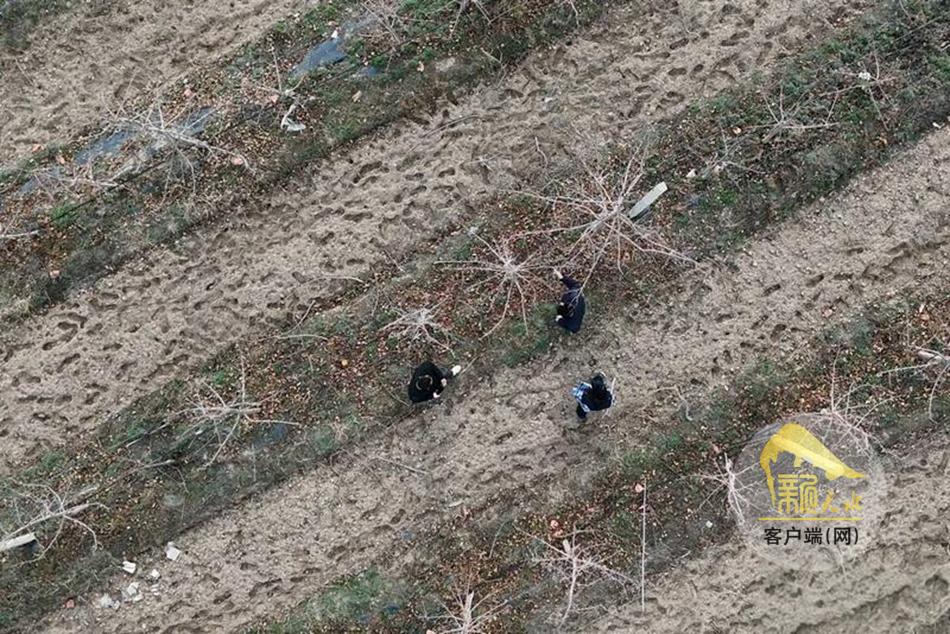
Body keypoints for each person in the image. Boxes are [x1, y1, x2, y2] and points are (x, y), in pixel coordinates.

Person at [553, 269, 585, 333]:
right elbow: (558, 318)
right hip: (573, 302)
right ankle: (560, 276)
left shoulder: (577, 290)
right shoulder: (570, 325)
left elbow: (574, 284)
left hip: (578, 301)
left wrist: (561, 277)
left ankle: (560, 276)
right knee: (561, 310)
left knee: (575, 286)